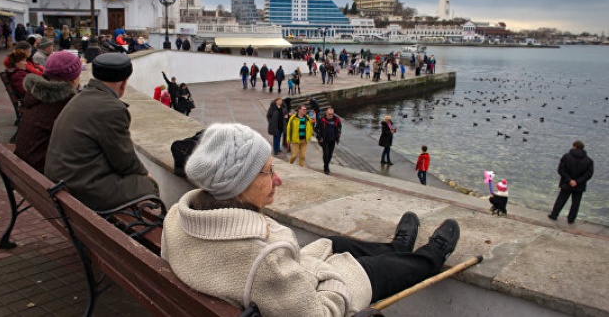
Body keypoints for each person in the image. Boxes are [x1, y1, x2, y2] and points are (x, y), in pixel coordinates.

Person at [161, 123, 461, 317]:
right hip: (317, 288)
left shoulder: (177, 217)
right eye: (267, 172)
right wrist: (330, 275)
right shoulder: (266, 261)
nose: (277, 179)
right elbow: (319, 313)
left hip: (273, 280)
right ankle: (432, 256)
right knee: (371, 267)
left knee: (335, 243)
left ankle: (397, 247)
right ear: (239, 186)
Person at [45, 53, 159, 211]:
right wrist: (145, 175)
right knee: (147, 184)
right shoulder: (112, 109)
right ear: (123, 83)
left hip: (60, 182)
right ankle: (142, 232)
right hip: (81, 189)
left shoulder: (80, 96)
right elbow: (125, 161)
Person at [14, 51, 82, 173]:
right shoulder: (64, 103)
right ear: (73, 79)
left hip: (26, 168)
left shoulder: (36, 95)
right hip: (42, 174)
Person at [548, 140, 594, 224]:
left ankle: (554, 215)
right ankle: (571, 219)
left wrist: (569, 180)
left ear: (574, 146)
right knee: (575, 203)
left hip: (566, 183)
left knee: (561, 200)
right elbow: (588, 174)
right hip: (579, 185)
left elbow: (561, 170)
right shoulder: (589, 161)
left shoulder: (566, 156)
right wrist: (577, 181)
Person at [317, 108, 342, 175]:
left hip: (332, 140)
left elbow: (339, 127)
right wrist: (319, 137)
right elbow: (316, 129)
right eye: (329, 114)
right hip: (324, 140)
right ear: (326, 113)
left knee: (330, 154)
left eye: (332, 114)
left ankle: (326, 164)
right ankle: (326, 167)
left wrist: (338, 134)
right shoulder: (321, 120)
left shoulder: (336, 119)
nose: (331, 115)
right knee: (326, 153)